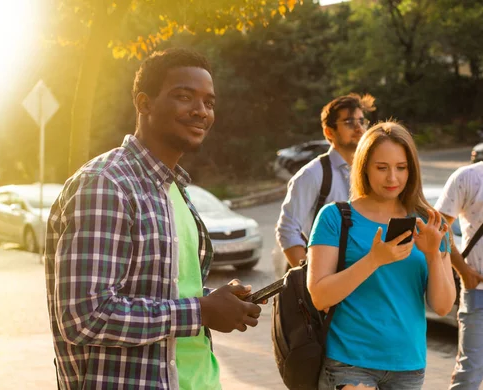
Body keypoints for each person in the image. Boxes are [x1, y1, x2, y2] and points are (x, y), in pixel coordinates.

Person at [44, 48, 262, 390]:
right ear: (144, 103)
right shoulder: (107, 184)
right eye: (184, 96)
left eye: (209, 102)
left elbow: (160, 290)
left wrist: (215, 300)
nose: (201, 111)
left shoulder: (174, 188)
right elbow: (84, 317)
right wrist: (201, 311)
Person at [307, 122, 456, 390]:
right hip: (350, 361)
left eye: (401, 167)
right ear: (364, 166)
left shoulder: (429, 222)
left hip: (408, 365)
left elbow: (443, 307)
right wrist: (374, 259)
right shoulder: (335, 217)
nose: (392, 179)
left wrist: (433, 255)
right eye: (382, 167)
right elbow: (319, 296)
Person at [275, 94, 375, 274]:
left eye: (362, 121)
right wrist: (312, 279)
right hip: (328, 284)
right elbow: (287, 230)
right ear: (329, 131)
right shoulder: (312, 174)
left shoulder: (373, 171)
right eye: (349, 122)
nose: (359, 128)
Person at [436, 107, 483, 390]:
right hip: (482, 292)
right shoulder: (468, 177)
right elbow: (438, 229)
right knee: (469, 376)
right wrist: (461, 269)